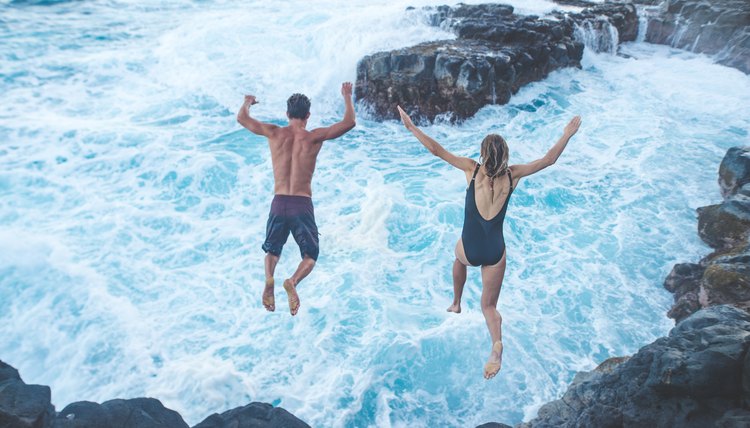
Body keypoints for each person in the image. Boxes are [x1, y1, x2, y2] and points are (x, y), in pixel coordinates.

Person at [397, 106, 581, 379]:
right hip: (495, 252)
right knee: (489, 307)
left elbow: (437, 150)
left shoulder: (472, 170)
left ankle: (456, 301)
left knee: (458, 257)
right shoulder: (513, 175)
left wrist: (411, 127)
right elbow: (549, 160)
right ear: (505, 154)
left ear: (483, 153)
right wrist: (567, 134)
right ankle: (495, 347)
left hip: (470, 249)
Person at [237, 83, 356, 316]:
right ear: (308, 116)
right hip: (301, 204)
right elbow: (349, 122)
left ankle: (269, 278)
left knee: (272, 250)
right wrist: (347, 96)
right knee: (310, 256)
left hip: (279, 202)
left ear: (287, 114)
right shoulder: (314, 137)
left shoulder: (274, 132)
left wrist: (248, 102)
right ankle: (292, 281)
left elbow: (242, 119)